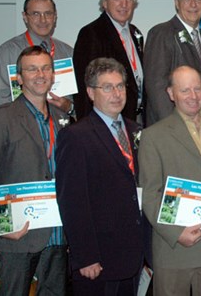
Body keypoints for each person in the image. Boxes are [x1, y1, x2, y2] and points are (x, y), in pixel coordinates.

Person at [0, 46, 69, 296]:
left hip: (58, 233)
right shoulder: (0, 119)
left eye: (46, 68)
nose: (40, 74)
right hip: (18, 233)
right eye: (32, 69)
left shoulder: (63, 118)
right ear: (19, 77)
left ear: (53, 74)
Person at [139, 65, 201, 296]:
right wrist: (175, 233)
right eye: (185, 90)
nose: (193, 96)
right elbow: (150, 193)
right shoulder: (153, 136)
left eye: (198, 89)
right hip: (175, 250)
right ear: (171, 94)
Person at [55, 58, 151, 295]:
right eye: (107, 87)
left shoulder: (138, 132)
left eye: (120, 86)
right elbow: (72, 201)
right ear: (90, 92)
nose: (116, 93)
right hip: (98, 260)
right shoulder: (76, 136)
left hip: (135, 254)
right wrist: (85, 256)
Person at [143, 0, 201, 126]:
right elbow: (157, 87)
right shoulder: (161, 33)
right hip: (173, 128)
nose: (193, 4)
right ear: (176, 2)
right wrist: (174, 127)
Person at [0, 0, 73, 114]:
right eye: (36, 14)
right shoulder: (9, 51)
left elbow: (78, 99)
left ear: (55, 16)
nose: (43, 20)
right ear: (25, 17)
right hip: (20, 127)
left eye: (48, 13)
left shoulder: (67, 52)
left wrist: (70, 107)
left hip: (60, 128)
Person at [73, 0, 144, 123]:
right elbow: (85, 87)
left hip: (134, 119)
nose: (124, 4)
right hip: (106, 122)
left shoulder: (135, 33)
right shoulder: (91, 33)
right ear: (105, 2)